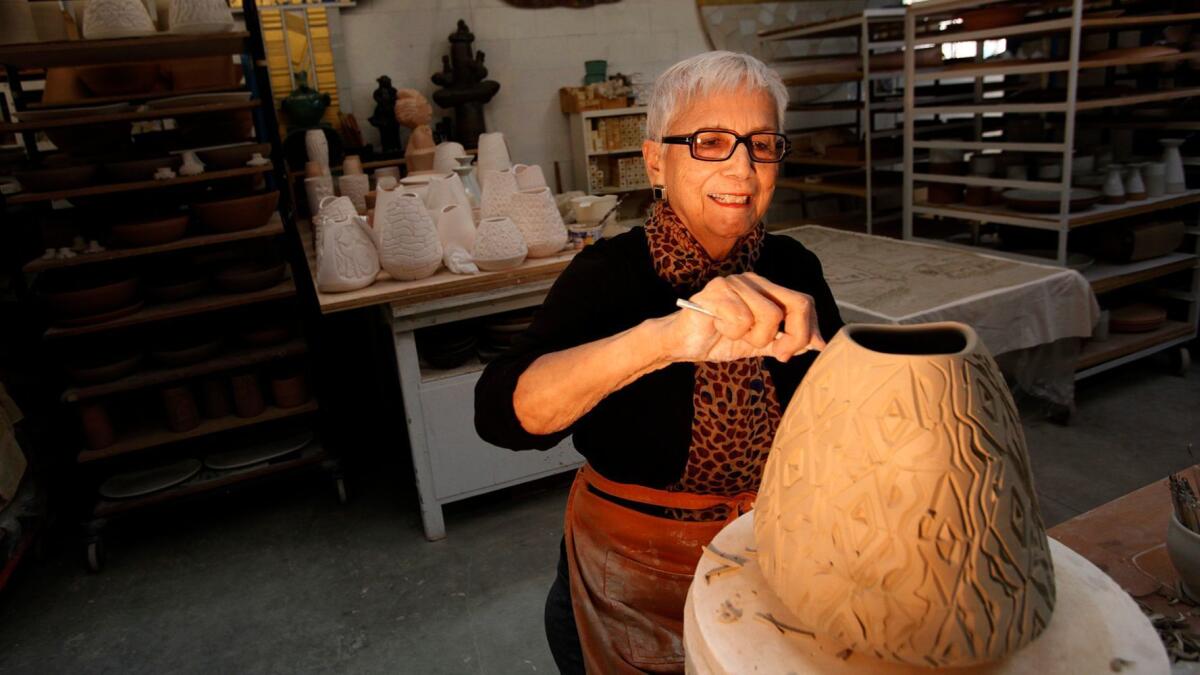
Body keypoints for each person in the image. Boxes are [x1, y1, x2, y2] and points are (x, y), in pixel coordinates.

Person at [475, 51, 844, 674]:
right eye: (709, 142)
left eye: (761, 144)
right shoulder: (608, 274)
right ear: (656, 162)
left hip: (772, 560)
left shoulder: (792, 266)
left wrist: (838, 367)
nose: (742, 167)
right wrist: (667, 339)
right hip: (632, 577)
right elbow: (503, 416)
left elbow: (840, 412)